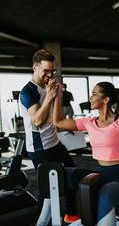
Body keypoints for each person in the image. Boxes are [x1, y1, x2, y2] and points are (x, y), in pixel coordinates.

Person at [51, 81, 119, 225]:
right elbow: (58, 122)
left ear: (106, 100)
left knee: (105, 194)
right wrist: (57, 96)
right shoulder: (89, 122)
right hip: (102, 175)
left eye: (94, 94)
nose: (90, 98)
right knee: (55, 173)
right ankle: (50, 220)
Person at [19, 49, 78, 222]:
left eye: (52, 71)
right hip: (40, 149)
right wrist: (50, 97)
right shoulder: (28, 91)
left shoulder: (48, 86)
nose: (50, 74)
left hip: (55, 142)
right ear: (35, 68)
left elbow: (53, 118)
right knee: (48, 192)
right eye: (46, 71)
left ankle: (71, 215)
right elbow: (38, 120)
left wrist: (62, 126)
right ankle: (42, 222)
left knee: (71, 175)